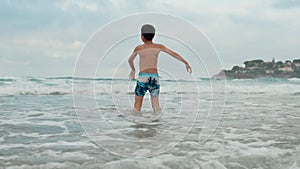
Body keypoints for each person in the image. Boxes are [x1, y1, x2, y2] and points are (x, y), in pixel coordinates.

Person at [128, 24, 192, 113]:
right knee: (156, 107)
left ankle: (138, 125)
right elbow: (174, 54)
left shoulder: (139, 48)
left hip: (143, 78)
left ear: (142, 37)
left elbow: (130, 60)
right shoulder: (159, 46)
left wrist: (133, 70)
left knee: (137, 107)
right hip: (154, 78)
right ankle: (157, 124)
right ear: (153, 35)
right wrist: (186, 62)